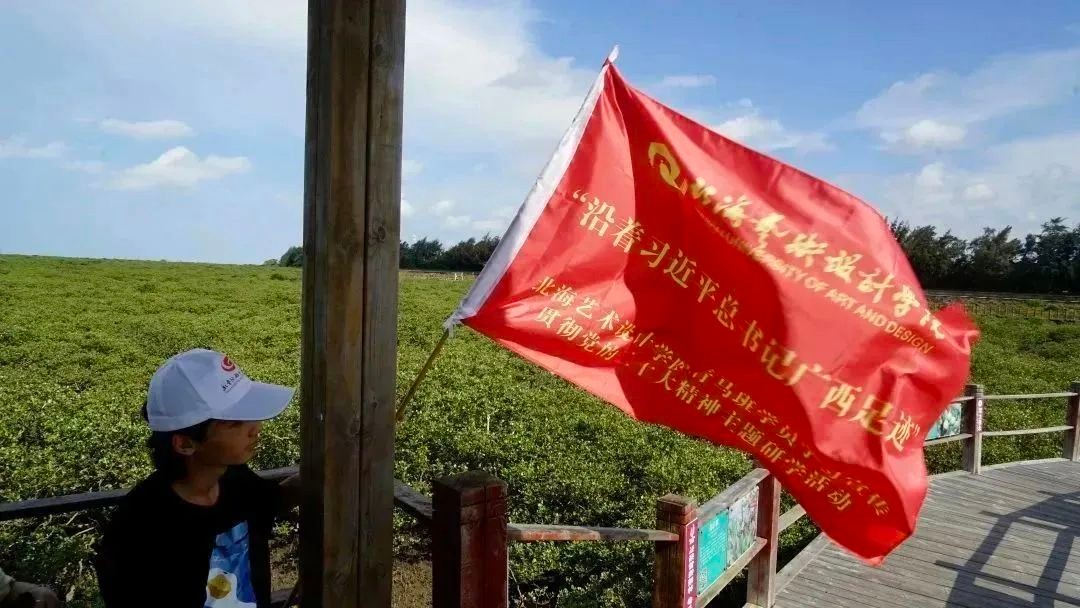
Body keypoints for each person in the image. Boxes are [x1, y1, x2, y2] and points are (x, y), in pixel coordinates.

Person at [93, 348, 300, 608]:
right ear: (185, 444)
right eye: (235, 422)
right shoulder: (140, 526)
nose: (255, 428)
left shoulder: (235, 480)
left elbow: (271, 500)